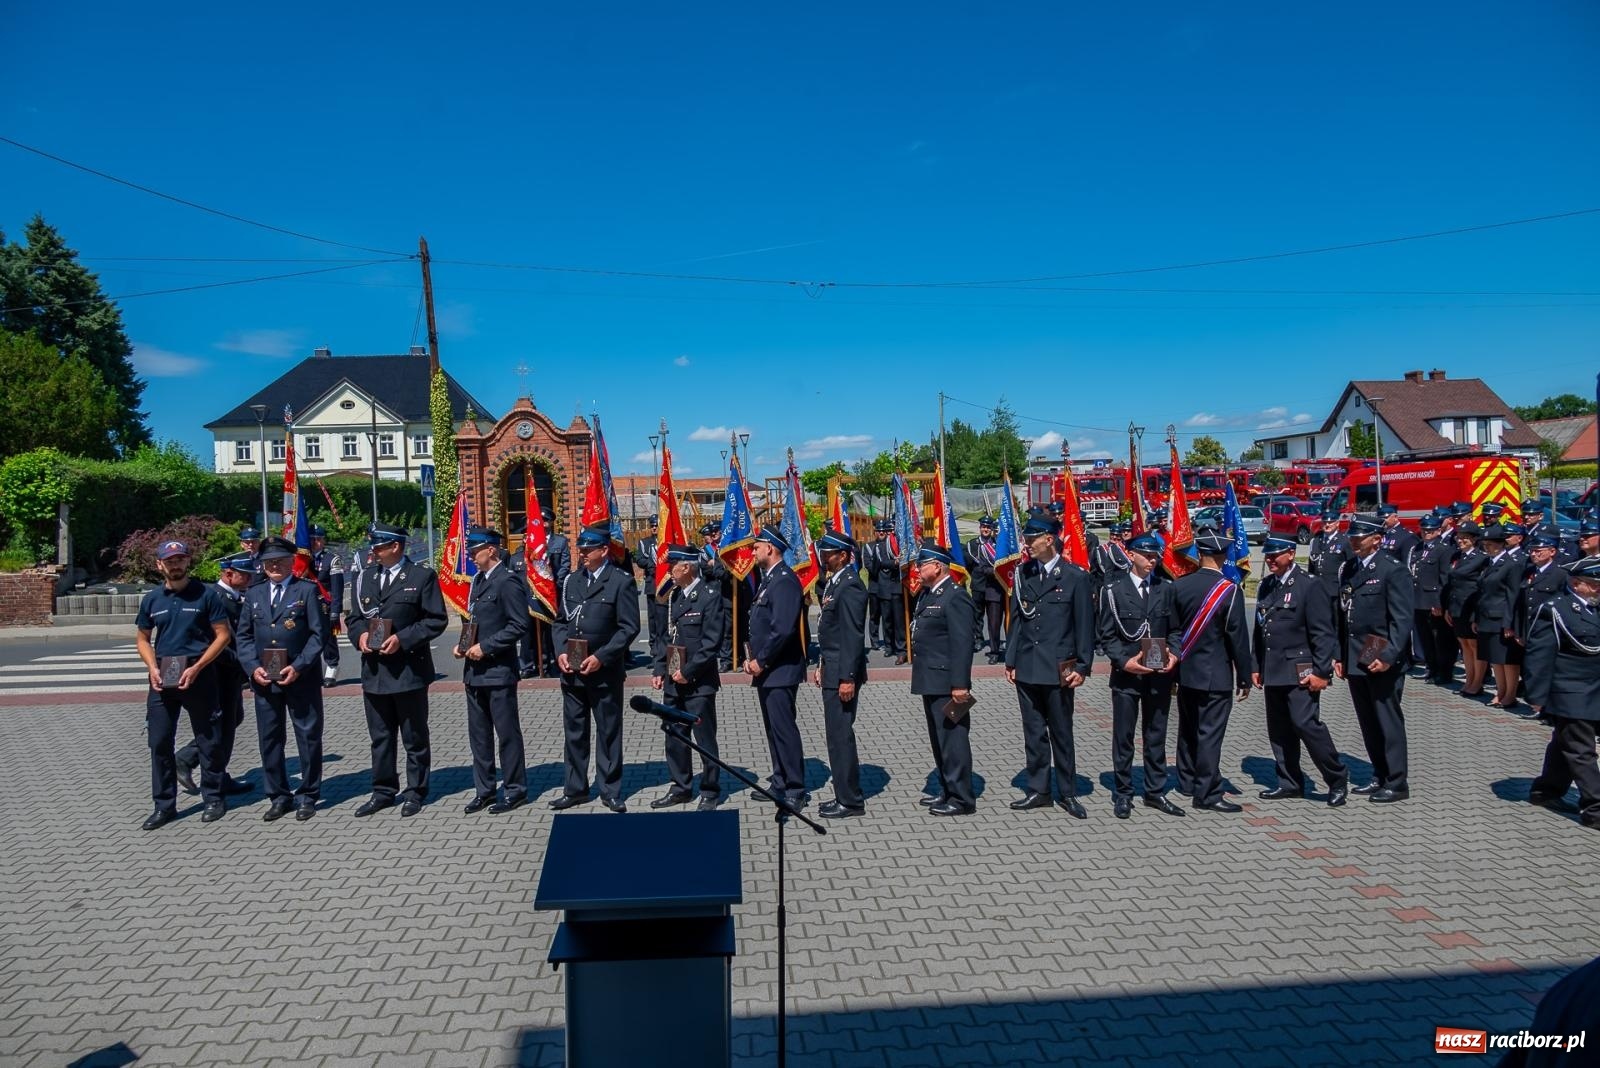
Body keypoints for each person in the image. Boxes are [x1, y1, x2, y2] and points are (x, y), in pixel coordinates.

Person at [347, 523, 449, 818]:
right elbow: (354, 618)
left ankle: (416, 791)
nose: (374, 552)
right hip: (375, 671)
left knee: (413, 736)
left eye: (379, 547)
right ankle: (383, 791)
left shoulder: (421, 576)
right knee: (380, 737)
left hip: (407, 670)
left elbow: (435, 619)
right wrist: (360, 636)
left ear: (395, 547)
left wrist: (402, 640)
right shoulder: (365, 576)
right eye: (373, 547)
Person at [134, 540, 234, 830]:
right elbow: (142, 638)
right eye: (170, 560)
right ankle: (164, 806)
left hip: (199, 675)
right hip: (162, 678)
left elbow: (222, 635)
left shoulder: (206, 595)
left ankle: (213, 797)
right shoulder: (152, 599)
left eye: (180, 559)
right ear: (159, 565)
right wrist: (152, 667)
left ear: (188, 561)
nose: (175, 564)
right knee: (160, 741)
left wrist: (199, 666)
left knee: (209, 738)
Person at [1004, 514, 1095, 817]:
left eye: (1032, 539)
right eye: (1026, 539)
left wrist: (1083, 667)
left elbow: (1084, 626)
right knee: (1033, 733)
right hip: (1028, 665)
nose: (1027, 545)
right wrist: (1011, 659)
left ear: (1050, 540)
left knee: (1061, 732)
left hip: (1059, 668)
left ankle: (1067, 792)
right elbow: (1017, 620)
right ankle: (1039, 789)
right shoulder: (1023, 574)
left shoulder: (1075, 577)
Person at [236, 536, 329, 822]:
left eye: (279, 560)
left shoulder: (307, 591)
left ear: (292, 562)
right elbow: (244, 636)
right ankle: (278, 796)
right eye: (268, 562)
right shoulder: (254, 594)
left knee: (308, 736)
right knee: (270, 739)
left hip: (300, 678)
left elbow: (318, 635)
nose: (274, 565)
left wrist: (299, 666)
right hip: (265, 680)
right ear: (262, 565)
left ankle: (308, 795)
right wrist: (253, 668)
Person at [1252, 537, 1349, 806]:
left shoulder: (1310, 586)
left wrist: (1322, 673)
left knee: (1306, 725)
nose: (1271, 560)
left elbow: (1323, 634)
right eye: (1268, 555)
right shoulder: (1266, 586)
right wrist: (1255, 665)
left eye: (1276, 555)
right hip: (1273, 669)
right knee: (1279, 730)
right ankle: (1290, 782)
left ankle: (1337, 777)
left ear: (1291, 554)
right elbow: (1260, 631)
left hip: (1301, 670)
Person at [551, 525, 641, 812]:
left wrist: (602, 656)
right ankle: (575, 788)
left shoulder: (620, 581)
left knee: (608, 731)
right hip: (573, 672)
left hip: (603, 672)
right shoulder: (572, 581)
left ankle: (610, 789)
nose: (583, 554)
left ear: (604, 550)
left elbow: (628, 627)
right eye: (581, 549)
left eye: (589, 549)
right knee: (574, 732)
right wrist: (561, 652)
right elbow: (560, 622)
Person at [1166, 528, 1252, 813]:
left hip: (1186, 672)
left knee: (1188, 730)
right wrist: (1244, 676)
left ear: (1199, 554)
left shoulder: (1179, 586)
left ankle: (1187, 779)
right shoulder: (1229, 590)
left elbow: (1173, 631)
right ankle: (1207, 792)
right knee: (1210, 735)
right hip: (1216, 675)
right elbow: (1237, 638)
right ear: (1224, 556)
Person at [1097, 533, 1183, 819]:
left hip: (1158, 674)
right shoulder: (1114, 589)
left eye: (1156, 556)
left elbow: (1175, 630)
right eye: (1147, 556)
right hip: (1127, 676)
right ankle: (1123, 793)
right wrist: (1124, 661)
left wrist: (1175, 654)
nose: (1152, 561)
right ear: (1131, 555)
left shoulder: (1165, 588)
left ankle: (1155, 791)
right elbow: (1107, 635)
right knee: (1124, 737)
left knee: (1156, 735)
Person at [1336, 514, 1415, 803]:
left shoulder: (1393, 570)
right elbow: (1344, 615)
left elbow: (1401, 620)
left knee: (1387, 719)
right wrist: (1339, 655)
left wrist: (1388, 655)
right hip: (1357, 652)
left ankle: (1397, 781)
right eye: (1352, 537)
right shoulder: (1350, 569)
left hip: (1379, 650)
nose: (1354, 541)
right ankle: (1379, 774)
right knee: (1368, 721)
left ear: (1377, 540)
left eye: (1360, 537)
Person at [455, 527, 531, 814]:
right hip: (474, 671)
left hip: (498, 670)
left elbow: (518, 625)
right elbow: (473, 620)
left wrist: (486, 647)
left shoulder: (507, 581)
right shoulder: (478, 580)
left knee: (506, 733)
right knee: (479, 735)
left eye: (475, 551)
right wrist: (463, 645)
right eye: (470, 551)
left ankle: (515, 789)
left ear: (492, 550)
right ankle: (484, 790)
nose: (472, 556)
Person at [1524, 556, 1600, 831]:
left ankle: (1546, 790)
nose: (1598, 591)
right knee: (1582, 751)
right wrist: (1536, 694)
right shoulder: (1556, 610)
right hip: (1569, 690)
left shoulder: (1595, 608)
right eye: (1595, 586)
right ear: (1578, 584)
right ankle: (1595, 808)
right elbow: (1539, 654)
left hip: (1593, 690)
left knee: (1564, 744)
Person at [649, 544, 726, 811]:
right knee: (674, 735)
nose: (669, 570)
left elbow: (711, 643)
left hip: (698, 683)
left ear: (687, 567)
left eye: (673, 565)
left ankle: (710, 790)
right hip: (673, 681)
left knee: (704, 738)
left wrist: (688, 671)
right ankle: (680, 787)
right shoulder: (675, 597)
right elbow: (664, 638)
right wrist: (660, 669)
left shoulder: (709, 596)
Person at [175, 553, 256, 798]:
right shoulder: (215, 598)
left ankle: (217, 773)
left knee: (232, 720)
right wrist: (245, 663)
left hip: (231, 674)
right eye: (246, 574)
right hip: (218, 673)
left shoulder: (233, 596)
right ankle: (187, 760)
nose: (251, 578)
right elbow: (216, 641)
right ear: (228, 574)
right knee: (221, 725)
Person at [909, 540, 977, 816]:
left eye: (921, 565)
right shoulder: (928, 595)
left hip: (948, 682)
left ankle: (962, 798)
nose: (917, 570)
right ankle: (947, 789)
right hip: (930, 679)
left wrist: (960, 684)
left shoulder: (955, 596)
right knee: (940, 740)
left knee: (953, 740)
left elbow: (962, 644)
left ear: (937, 566)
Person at [746, 527, 808, 810]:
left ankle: (795, 788)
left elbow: (782, 629)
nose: (753, 551)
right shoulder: (769, 579)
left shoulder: (783, 581)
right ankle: (780, 780)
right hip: (769, 670)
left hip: (779, 669)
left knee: (783, 729)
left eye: (756, 546)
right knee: (773, 729)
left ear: (770, 548)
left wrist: (761, 660)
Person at [812, 530, 869, 819]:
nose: (823, 557)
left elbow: (851, 636)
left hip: (842, 674)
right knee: (835, 736)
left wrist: (847, 677)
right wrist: (822, 664)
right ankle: (844, 794)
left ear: (844, 555)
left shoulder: (850, 586)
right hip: (832, 669)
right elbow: (830, 633)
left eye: (829, 553)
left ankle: (850, 800)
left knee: (841, 736)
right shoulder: (835, 584)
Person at [1476, 524, 1524, 710]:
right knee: (1496, 658)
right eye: (1484, 544)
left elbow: (1512, 596)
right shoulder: (1491, 563)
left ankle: (1510, 694)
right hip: (1487, 617)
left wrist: (1509, 623)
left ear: (1501, 544)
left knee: (1507, 660)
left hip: (1501, 618)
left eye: (1489, 544)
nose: (1486, 547)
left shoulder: (1511, 564)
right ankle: (1501, 691)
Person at [1410, 514, 1458, 686]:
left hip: (1433, 601)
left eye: (1430, 530)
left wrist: (1439, 603)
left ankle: (1444, 672)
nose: (1426, 533)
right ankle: (1431, 668)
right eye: (1424, 530)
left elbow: (1444, 578)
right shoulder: (1417, 548)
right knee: (1425, 639)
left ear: (1438, 531)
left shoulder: (1444, 549)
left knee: (1440, 640)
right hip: (1418, 600)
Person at [1444, 521, 1489, 696]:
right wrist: (1448, 607)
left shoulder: (1481, 557)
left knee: (1474, 645)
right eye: (1459, 537)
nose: (1461, 540)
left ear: (1474, 539)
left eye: (1465, 538)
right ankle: (1469, 680)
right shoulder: (1457, 556)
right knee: (1464, 644)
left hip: (1470, 607)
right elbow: (1451, 583)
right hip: (1457, 607)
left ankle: (1477, 683)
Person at [309, 525, 344, 685]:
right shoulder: (302, 560)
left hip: (324, 605)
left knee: (328, 638)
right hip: (306, 605)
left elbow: (337, 588)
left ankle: (331, 668)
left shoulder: (331, 559)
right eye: (311, 539)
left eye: (318, 539)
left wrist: (335, 611)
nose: (315, 542)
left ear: (323, 540)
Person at [967, 516, 1005, 663]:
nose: (986, 529)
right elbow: (970, 564)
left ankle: (995, 650)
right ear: (980, 528)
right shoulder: (972, 544)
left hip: (994, 588)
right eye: (983, 527)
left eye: (988, 527)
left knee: (994, 621)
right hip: (978, 584)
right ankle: (978, 638)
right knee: (977, 615)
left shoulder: (998, 545)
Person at [869, 519, 907, 662]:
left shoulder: (901, 545)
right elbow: (879, 563)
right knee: (887, 621)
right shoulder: (879, 547)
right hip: (884, 588)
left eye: (892, 531)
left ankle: (901, 649)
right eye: (887, 531)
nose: (890, 533)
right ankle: (889, 646)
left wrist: (896, 563)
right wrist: (894, 563)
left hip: (898, 587)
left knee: (899, 621)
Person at [632, 515, 666, 658]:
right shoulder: (644, 543)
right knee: (652, 617)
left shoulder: (666, 541)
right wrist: (654, 565)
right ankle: (654, 646)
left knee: (664, 615)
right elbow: (640, 559)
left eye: (656, 525)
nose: (654, 528)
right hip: (652, 583)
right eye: (652, 525)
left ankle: (665, 644)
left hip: (665, 583)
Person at [1306, 504, 1352, 609]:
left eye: (1331, 522)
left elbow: (1351, 566)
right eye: (1325, 522)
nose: (1327, 525)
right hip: (1317, 591)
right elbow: (1311, 568)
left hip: (1335, 591)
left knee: (1335, 623)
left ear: (1337, 524)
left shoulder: (1345, 541)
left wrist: (1347, 588)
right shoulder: (1316, 541)